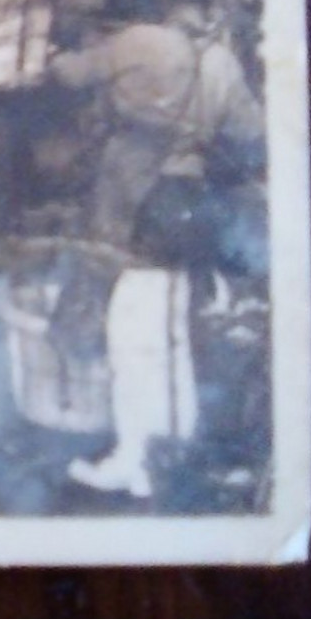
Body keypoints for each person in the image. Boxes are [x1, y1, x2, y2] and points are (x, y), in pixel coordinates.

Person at [50, 0, 263, 247]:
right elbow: (249, 132)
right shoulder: (223, 62)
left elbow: (71, 75)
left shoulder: (138, 40)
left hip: (127, 184)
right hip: (188, 185)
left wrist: (55, 53)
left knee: (113, 262)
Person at [66, 175, 220, 499]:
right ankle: (133, 459)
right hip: (141, 277)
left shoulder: (178, 185)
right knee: (130, 370)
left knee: (155, 369)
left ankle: (155, 463)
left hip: (160, 280)